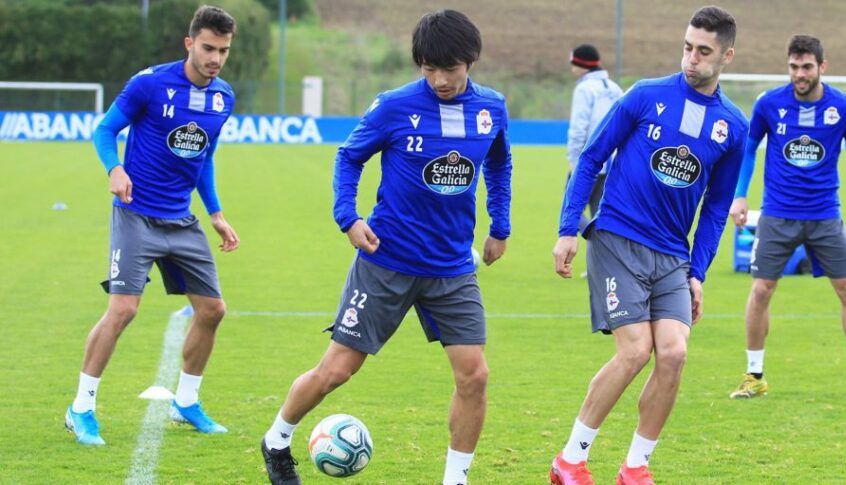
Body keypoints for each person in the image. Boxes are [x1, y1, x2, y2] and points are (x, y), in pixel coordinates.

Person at [259, 10, 512, 485]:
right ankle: (277, 439)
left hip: (452, 266)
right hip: (387, 260)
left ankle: (455, 479)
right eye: (428, 68)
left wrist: (501, 224)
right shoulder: (394, 106)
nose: (439, 79)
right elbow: (349, 156)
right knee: (336, 371)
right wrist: (348, 218)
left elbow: (500, 163)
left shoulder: (491, 108)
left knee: (474, 376)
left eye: (450, 69)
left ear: (471, 61)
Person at [550, 6, 747, 485]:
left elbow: (717, 209)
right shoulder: (645, 96)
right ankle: (570, 460)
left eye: (703, 51)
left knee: (675, 353)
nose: (691, 59)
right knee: (636, 351)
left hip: (673, 257)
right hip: (618, 237)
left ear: (726, 56)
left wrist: (697, 272)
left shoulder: (732, 127)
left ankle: (635, 466)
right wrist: (568, 228)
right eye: (687, 47)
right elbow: (592, 156)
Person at [64, 5, 240, 446]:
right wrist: (114, 169)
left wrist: (216, 213)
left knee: (213, 310)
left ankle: (186, 402)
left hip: (182, 220)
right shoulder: (149, 84)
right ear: (189, 43)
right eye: (207, 48)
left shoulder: (223, 98)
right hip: (137, 214)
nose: (215, 58)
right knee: (123, 310)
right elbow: (105, 130)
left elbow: (203, 158)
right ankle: (80, 408)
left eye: (223, 50)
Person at [727, 35, 846, 399]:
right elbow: (748, 151)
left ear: (822, 66)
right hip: (777, 214)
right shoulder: (768, 104)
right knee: (761, 289)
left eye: (807, 67)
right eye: (793, 67)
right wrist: (741, 195)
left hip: (825, 215)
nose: (799, 74)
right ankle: (754, 375)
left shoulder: (844, 107)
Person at [566, 44, 623, 233]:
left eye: (573, 63)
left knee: (570, 210)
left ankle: (596, 242)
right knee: (601, 213)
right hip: (611, 162)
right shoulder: (615, 88)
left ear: (581, 64)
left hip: (588, 161)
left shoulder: (584, 89)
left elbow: (578, 129)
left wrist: (574, 161)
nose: (571, 67)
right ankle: (606, 253)